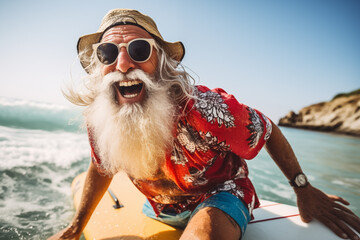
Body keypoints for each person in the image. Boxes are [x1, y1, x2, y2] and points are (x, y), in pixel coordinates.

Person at [49, 9, 360, 240]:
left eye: (139, 50)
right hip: (159, 208)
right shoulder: (103, 114)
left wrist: (301, 188)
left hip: (221, 194)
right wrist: (77, 226)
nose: (124, 64)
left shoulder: (206, 109)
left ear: (161, 62)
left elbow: (266, 128)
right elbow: (102, 165)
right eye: (108, 53)